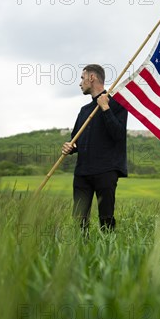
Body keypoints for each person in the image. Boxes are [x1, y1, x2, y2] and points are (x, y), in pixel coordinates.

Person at [61, 64, 128, 234]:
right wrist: (70, 147)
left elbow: (118, 135)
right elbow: (76, 140)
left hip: (106, 171)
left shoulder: (117, 104)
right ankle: (81, 254)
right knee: (79, 220)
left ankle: (108, 253)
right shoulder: (84, 111)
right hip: (82, 172)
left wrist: (105, 108)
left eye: (82, 78)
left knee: (106, 219)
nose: (80, 82)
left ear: (92, 78)